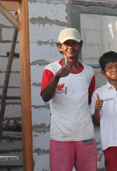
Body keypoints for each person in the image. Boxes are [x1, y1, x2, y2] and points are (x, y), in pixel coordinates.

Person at [41, 28, 97, 171]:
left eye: (74, 43)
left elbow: (90, 101)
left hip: (85, 135)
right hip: (61, 136)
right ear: (60, 47)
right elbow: (45, 97)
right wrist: (57, 77)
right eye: (66, 44)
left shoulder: (89, 72)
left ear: (81, 45)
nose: (70, 47)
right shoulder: (51, 70)